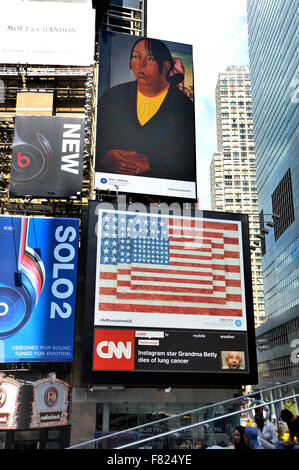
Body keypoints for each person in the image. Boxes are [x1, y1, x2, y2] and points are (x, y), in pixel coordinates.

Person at [96, 37, 195, 182]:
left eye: (150, 59)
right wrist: (104, 156)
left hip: (159, 199)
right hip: (112, 190)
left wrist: (151, 163)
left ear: (166, 65)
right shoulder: (113, 96)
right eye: (136, 57)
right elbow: (95, 140)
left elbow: (189, 163)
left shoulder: (185, 108)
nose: (141, 65)